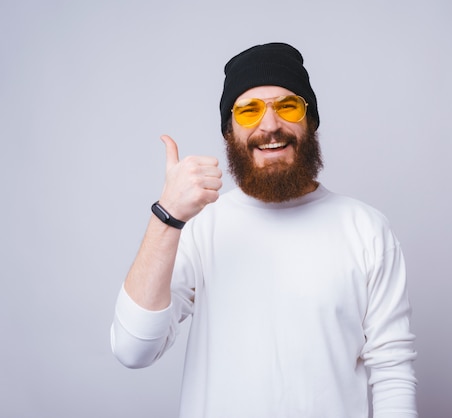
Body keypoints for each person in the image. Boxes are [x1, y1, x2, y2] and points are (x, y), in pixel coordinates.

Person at [111, 42, 418, 418]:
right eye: (249, 111)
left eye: (288, 106)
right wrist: (167, 216)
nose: (270, 126)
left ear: (311, 122)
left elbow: (392, 372)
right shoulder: (200, 227)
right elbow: (133, 349)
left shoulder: (366, 230)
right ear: (229, 132)